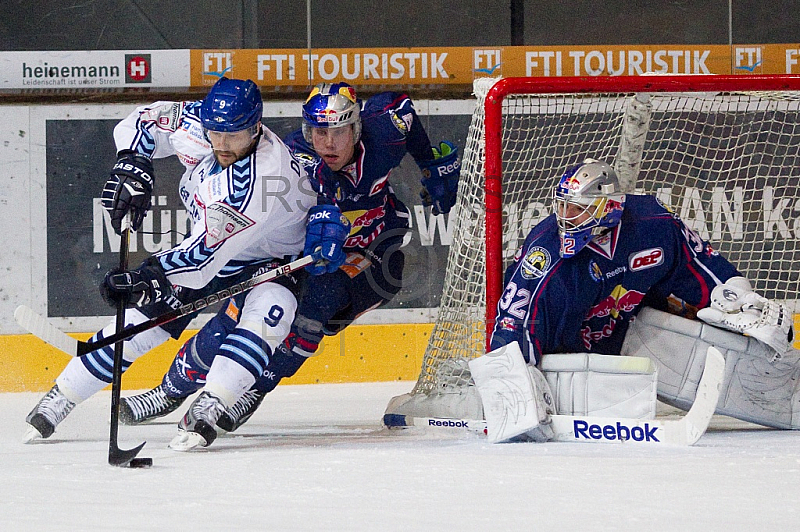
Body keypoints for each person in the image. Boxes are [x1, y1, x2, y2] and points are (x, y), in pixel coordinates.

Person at [24, 77, 350, 451]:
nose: (223, 145)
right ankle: (62, 395)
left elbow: (202, 261)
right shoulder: (202, 125)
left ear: (257, 127)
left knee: (271, 311)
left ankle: (214, 400)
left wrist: (148, 276)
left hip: (271, 256)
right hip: (217, 246)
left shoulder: (260, 181)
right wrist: (133, 162)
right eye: (216, 133)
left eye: (234, 135)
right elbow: (145, 121)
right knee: (145, 320)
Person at [118, 82, 461, 434]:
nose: (327, 143)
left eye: (338, 131)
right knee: (237, 319)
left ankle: (253, 391)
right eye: (317, 131)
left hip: (372, 253)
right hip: (307, 256)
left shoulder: (383, 129)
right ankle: (171, 389)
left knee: (314, 308)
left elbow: (402, 108)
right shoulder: (295, 157)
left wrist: (430, 162)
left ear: (356, 127)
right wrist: (321, 225)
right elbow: (318, 195)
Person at [470, 158, 798, 442]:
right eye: (563, 206)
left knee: (705, 329)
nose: (567, 217)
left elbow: (699, 265)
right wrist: (510, 390)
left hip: (630, 335)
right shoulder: (547, 254)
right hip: (564, 360)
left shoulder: (653, 224)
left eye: (579, 209)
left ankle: (785, 397)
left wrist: (741, 300)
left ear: (609, 208)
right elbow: (516, 319)